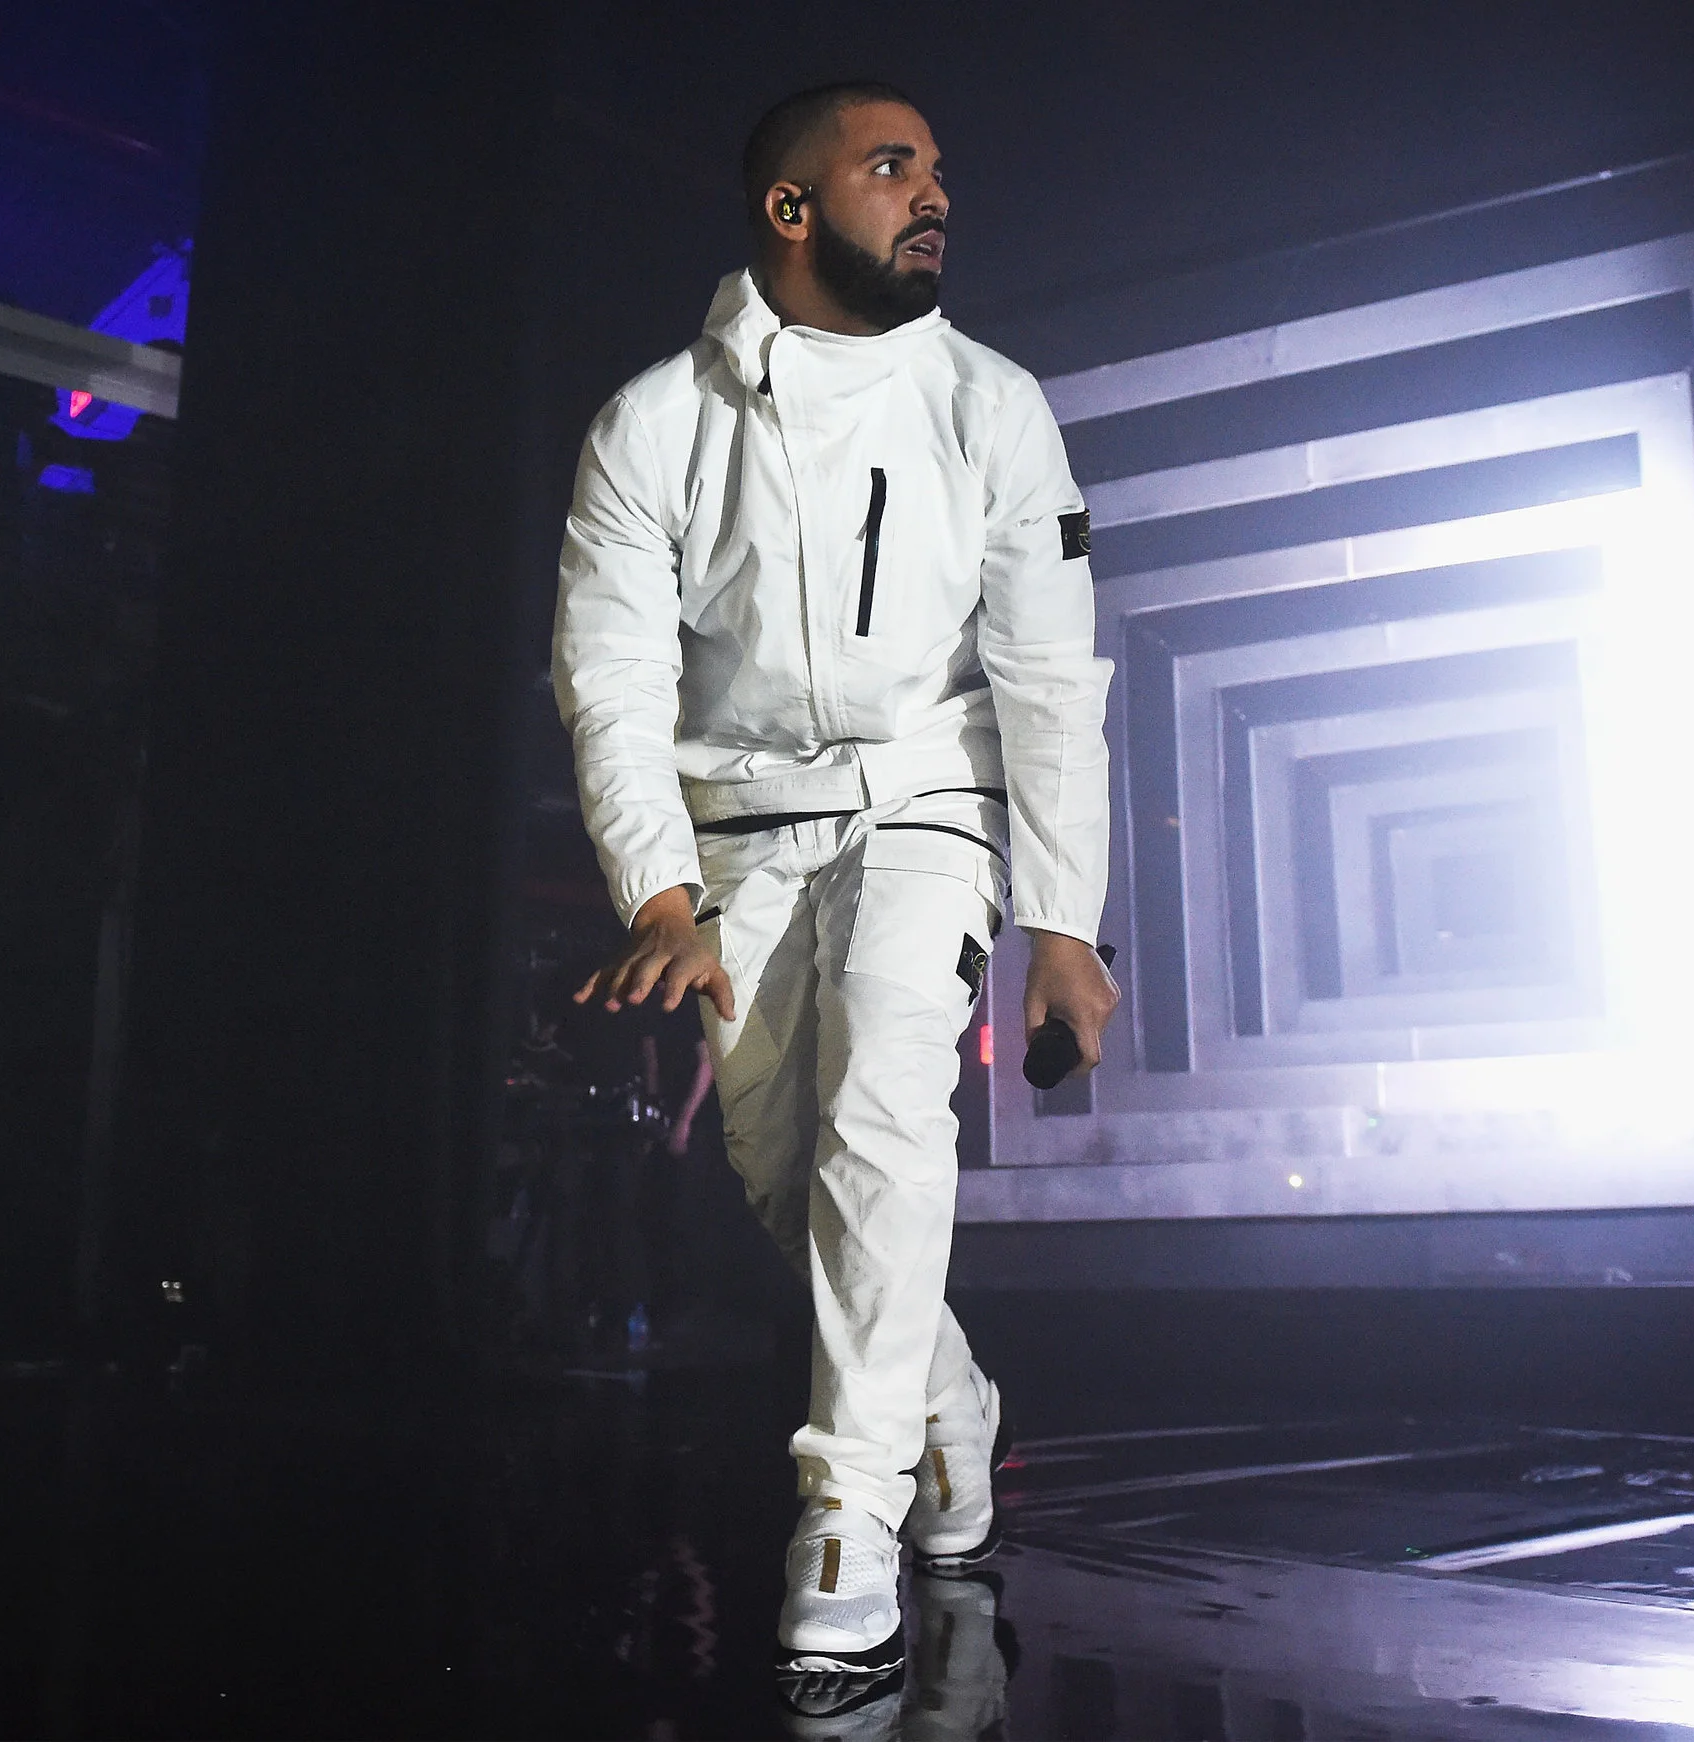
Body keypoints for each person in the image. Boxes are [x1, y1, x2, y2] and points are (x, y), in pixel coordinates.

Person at [552, 82, 1117, 1687]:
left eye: (939, 166)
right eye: (892, 167)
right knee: (783, 1177)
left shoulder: (991, 405)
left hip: (927, 803)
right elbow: (608, 675)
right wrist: (658, 891)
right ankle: (951, 1408)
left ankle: (844, 1512)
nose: (934, 192)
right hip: (737, 841)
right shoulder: (654, 423)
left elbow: (1049, 672)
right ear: (793, 210)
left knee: (883, 1110)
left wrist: (1062, 920)